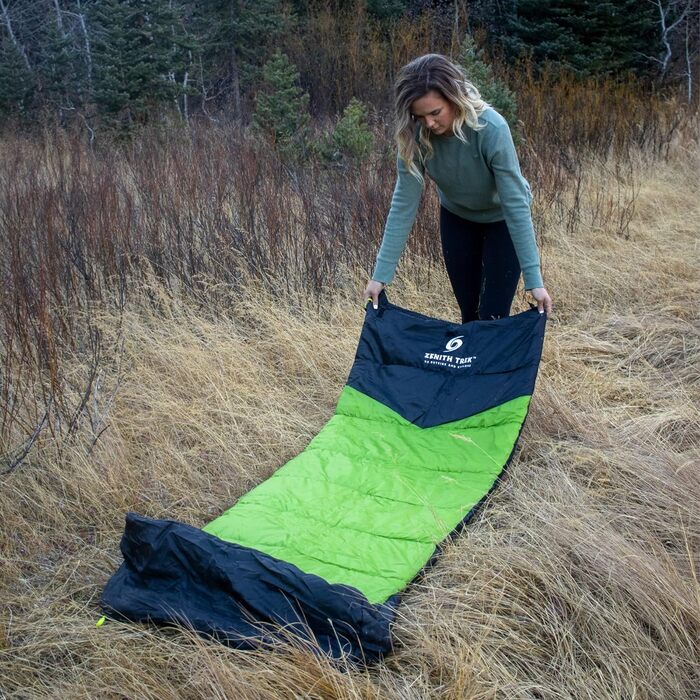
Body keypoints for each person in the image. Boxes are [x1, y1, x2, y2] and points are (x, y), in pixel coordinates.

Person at [363, 53, 553, 321]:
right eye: (420, 116)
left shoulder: (491, 128)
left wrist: (534, 280)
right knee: (470, 315)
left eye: (435, 112)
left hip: (502, 222)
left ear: (454, 98)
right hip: (458, 220)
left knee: (492, 318)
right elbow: (403, 204)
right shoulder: (416, 136)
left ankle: (491, 364)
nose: (429, 123)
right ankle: (474, 364)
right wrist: (380, 276)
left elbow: (515, 204)